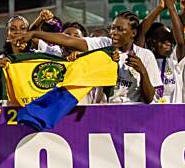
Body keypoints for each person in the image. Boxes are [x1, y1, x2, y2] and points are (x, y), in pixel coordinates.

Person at [24, 11, 161, 104]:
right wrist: (35, 33)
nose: (114, 33)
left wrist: (142, 71)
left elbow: (149, 98)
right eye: (112, 28)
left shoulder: (145, 56)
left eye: (120, 29)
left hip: (134, 114)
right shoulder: (104, 44)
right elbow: (68, 40)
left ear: (133, 33)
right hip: (103, 113)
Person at [136, 0, 185, 104]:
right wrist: (159, 8)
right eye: (163, 39)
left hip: (173, 116)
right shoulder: (143, 58)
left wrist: (171, 7)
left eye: (169, 38)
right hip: (148, 115)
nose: (168, 42)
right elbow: (140, 32)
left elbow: (180, 42)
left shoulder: (174, 59)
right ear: (151, 42)